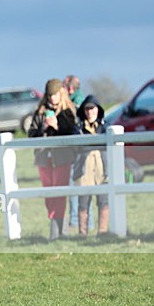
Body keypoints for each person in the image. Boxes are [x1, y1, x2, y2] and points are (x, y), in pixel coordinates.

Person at [27, 78, 78, 240]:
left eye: (55, 95)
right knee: (48, 193)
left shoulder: (67, 112)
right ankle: (56, 227)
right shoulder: (40, 113)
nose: (52, 98)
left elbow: (71, 133)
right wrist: (43, 128)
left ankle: (58, 231)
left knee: (60, 192)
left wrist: (56, 127)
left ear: (61, 93)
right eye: (49, 95)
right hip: (44, 158)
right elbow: (31, 134)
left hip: (62, 158)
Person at [72, 95, 108, 236]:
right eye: (86, 109)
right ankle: (83, 233)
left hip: (102, 166)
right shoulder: (78, 128)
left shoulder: (106, 127)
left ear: (98, 110)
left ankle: (103, 232)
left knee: (103, 200)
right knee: (83, 201)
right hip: (84, 168)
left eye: (92, 108)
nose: (89, 112)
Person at [63, 75, 86, 233]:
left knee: (75, 184)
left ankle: (75, 220)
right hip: (75, 149)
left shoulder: (75, 101)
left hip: (75, 149)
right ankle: (77, 221)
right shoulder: (77, 99)